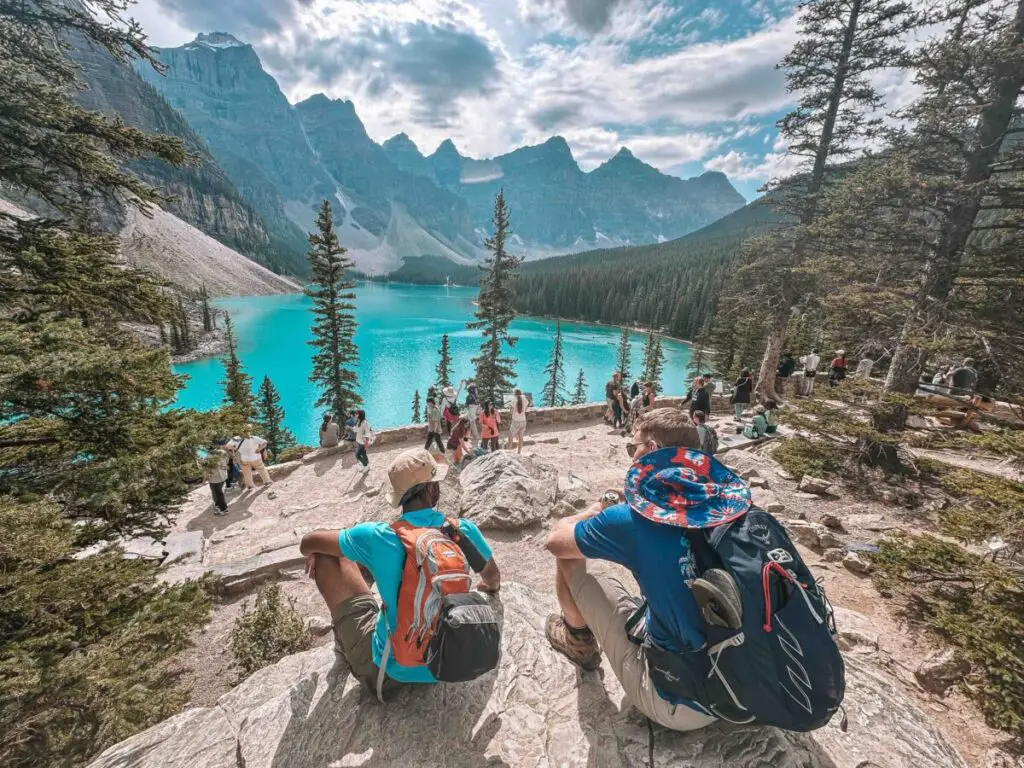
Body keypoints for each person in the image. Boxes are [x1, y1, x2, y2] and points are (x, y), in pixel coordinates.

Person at [544, 407, 746, 732]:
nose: (630, 454)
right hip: (742, 682)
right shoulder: (728, 503)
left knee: (572, 556)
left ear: (650, 450)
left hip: (682, 701)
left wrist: (599, 507)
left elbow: (555, 540)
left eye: (632, 447)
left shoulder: (631, 519)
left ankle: (577, 641)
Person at [299, 449, 501, 701]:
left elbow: (307, 542)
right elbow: (492, 577)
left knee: (329, 556)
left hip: (392, 672)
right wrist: (487, 588)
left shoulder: (379, 535)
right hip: (452, 656)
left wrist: (316, 551)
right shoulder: (462, 529)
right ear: (431, 491)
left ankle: (346, 644)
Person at [205, 442, 231, 515]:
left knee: (218, 493)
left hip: (214, 478)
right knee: (217, 492)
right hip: (223, 475)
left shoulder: (208, 457)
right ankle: (217, 505)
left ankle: (224, 509)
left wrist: (204, 479)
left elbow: (207, 469)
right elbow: (227, 461)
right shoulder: (223, 452)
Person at [507, 388, 528, 455]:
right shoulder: (525, 399)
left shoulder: (513, 400)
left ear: (514, 394)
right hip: (523, 421)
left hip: (516, 421)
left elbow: (511, 412)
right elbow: (525, 409)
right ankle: (519, 453)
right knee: (520, 438)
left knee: (510, 437)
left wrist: (510, 408)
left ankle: (508, 453)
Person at [465, 382, 481, 448]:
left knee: (472, 422)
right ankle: (472, 435)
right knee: (472, 422)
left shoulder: (469, 396)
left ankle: (475, 435)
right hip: (475, 409)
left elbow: (467, 404)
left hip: (471, 409)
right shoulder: (476, 396)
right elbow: (478, 403)